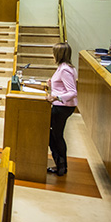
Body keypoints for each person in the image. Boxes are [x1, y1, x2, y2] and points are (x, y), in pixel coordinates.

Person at [46, 42, 78, 176]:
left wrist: (56, 97)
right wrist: (51, 85)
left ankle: (61, 166)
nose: (52, 55)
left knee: (56, 136)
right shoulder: (64, 67)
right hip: (62, 106)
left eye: (54, 53)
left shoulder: (65, 69)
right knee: (54, 135)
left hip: (62, 107)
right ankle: (60, 164)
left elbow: (72, 92)